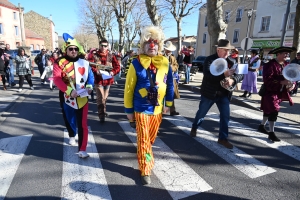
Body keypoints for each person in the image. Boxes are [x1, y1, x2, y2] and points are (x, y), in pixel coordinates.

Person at [124, 25, 174, 185]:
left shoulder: (165, 62)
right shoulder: (135, 64)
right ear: (143, 45)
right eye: (148, 42)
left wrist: (169, 104)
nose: (152, 46)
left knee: (150, 139)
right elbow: (129, 89)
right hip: (141, 109)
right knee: (144, 140)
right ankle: (145, 168)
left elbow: (170, 85)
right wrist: (129, 111)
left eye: (155, 42)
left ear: (159, 45)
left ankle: (143, 151)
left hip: (158, 109)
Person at [189, 39, 244, 149]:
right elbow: (208, 76)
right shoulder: (209, 60)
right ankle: (195, 127)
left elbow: (242, 74)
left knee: (225, 117)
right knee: (201, 114)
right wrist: (224, 74)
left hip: (224, 94)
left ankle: (222, 138)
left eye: (229, 51)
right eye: (225, 51)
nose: (227, 53)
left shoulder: (231, 61)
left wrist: (233, 80)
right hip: (209, 93)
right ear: (218, 50)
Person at [53, 33, 94, 158]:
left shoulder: (84, 63)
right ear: (66, 49)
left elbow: (90, 77)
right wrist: (69, 91)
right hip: (67, 96)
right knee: (69, 118)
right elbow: (57, 79)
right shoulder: (59, 62)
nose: (73, 51)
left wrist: (89, 87)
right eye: (71, 49)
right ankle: (72, 134)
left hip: (82, 97)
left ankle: (82, 149)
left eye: (75, 49)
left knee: (83, 123)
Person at [258, 46, 296, 142]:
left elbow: (292, 77)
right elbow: (267, 80)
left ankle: (261, 126)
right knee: (274, 110)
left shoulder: (287, 65)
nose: (286, 55)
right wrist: (281, 82)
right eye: (284, 53)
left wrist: (292, 85)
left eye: (287, 54)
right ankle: (271, 133)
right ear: (278, 54)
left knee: (268, 110)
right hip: (270, 92)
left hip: (280, 92)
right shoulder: (270, 65)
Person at [91, 39, 120, 122]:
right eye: (102, 45)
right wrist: (96, 71)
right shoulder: (94, 55)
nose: (103, 47)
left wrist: (113, 72)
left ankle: (103, 111)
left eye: (105, 46)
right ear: (99, 45)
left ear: (108, 46)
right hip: (98, 80)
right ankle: (101, 115)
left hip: (108, 80)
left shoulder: (111, 56)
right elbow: (90, 66)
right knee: (100, 98)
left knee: (105, 98)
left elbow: (117, 67)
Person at [163, 41, 180, 116]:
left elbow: (176, 66)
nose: (169, 51)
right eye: (168, 49)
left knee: (171, 93)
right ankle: (160, 110)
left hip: (170, 78)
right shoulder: (160, 56)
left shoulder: (173, 57)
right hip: (162, 78)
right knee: (161, 94)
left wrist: (171, 68)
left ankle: (172, 110)